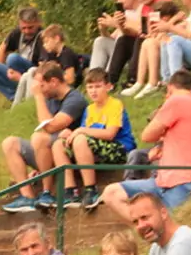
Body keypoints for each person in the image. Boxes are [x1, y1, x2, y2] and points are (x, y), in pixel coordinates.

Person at [101, 70, 191, 218]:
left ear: (169, 89)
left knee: (111, 194)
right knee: (112, 192)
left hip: (180, 182)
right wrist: (162, 145)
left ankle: (146, 231)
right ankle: (146, 230)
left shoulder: (176, 101)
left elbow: (147, 135)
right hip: (165, 182)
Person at [0, 62, 88, 212]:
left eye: (42, 85)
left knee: (38, 138)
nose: (39, 90)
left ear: (53, 81)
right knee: (10, 143)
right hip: (49, 151)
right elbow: (46, 128)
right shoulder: (50, 99)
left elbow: (52, 126)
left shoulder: (75, 99)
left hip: (69, 153)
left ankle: (47, 192)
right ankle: (27, 197)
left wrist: (39, 97)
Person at [50, 68, 136, 210]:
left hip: (119, 148)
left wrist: (79, 131)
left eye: (98, 86)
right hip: (95, 148)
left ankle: (91, 189)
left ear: (108, 87)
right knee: (58, 144)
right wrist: (69, 134)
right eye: (90, 87)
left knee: (80, 139)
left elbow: (110, 134)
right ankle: (70, 191)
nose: (93, 91)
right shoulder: (89, 109)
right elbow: (83, 133)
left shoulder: (115, 104)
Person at [122, 0, 185, 99]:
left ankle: (152, 82)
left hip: (178, 56)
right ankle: (139, 82)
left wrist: (161, 32)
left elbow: (172, 38)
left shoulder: (179, 24)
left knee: (150, 42)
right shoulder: (167, 25)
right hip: (164, 50)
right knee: (146, 42)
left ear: (165, 18)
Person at [0, 7, 46, 100]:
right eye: (23, 28)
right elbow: (3, 47)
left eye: (30, 27)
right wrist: (0, 68)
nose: (27, 31)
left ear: (38, 23)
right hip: (16, 74)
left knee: (12, 59)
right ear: (19, 25)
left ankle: (25, 91)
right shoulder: (17, 33)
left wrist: (23, 78)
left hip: (34, 75)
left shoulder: (44, 37)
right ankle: (14, 96)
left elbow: (44, 66)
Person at [12, 24, 83, 105]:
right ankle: (15, 106)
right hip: (55, 82)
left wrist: (49, 79)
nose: (44, 45)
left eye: (47, 41)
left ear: (56, 39)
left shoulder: (66, 54)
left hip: (66, 87)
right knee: (26, 75)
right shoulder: (55, 54)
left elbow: (70, 79)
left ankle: (31, 101)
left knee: (32, 71)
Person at [91, 0, 146, 87]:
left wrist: (118, 24)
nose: (118, 2)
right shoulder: (125, 13)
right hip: (121, 48)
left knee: (123, 40)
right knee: (100, 41)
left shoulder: (143, 9)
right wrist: (103, 29)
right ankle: (94, 78)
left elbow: (141, 31)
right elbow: (112, 38)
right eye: (117, 0)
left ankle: (109, 80)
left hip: (135, 49)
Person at [158, 0, 191, 83]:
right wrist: (166, 27)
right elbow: (181, 27)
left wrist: (170, 27)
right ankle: (166, 79)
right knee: (167, 37)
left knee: (174, 39)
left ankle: (177, 82)